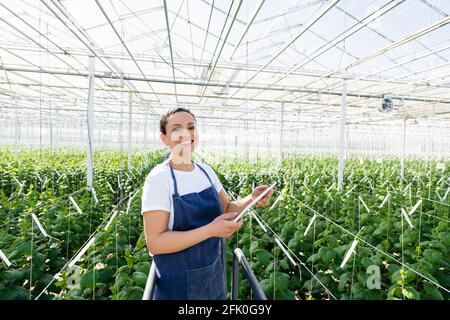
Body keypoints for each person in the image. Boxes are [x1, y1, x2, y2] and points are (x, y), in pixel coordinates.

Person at [141, 107, 274, 300]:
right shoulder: (159, 179)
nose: (186, 133)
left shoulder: (205, 171)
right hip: (176, 287)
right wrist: (211, 230)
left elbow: (228, 208)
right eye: (177, 129)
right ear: (164, 138)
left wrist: (251, 199)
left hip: (213, 279)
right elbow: (156, 243)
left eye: (191, 127)